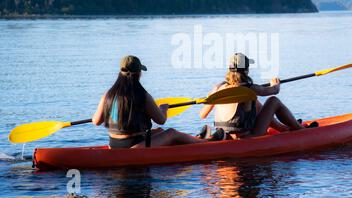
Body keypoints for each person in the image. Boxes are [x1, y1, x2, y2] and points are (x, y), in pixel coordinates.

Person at [92, 55, 224, 148]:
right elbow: (161, 119)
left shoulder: (108, 95)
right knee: (171, 133)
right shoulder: (143, 95)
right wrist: (163, 109)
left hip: (113, 144)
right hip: (134, 146)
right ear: (138, 73)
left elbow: (96, 121)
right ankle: (209, 142)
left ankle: (195, 140)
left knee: (159, 131)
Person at [199, 53, 318, 139]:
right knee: (273, 101)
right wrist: (275, 84)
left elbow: (202, 115)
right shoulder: (250, 88)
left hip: (225, 135)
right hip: (247, 137)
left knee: (254, 103)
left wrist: (210, 96)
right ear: (246, 71)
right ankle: (300, 129)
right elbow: (274, 91)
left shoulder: (218, 88)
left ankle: (283, 128)